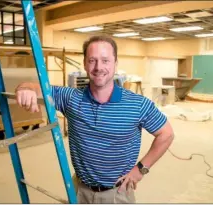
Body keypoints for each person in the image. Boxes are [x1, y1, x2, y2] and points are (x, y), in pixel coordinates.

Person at [15, 35, 174, 203]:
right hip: (79, 191)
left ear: (115, 64)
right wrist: (25, 89)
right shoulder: (70, 98)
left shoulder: (138, 104)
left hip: (116, 194)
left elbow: (167, 134)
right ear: (84, 63)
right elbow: (34, 87)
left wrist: (141, 169)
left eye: (105, 60)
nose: (98, 67)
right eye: (92, 60)